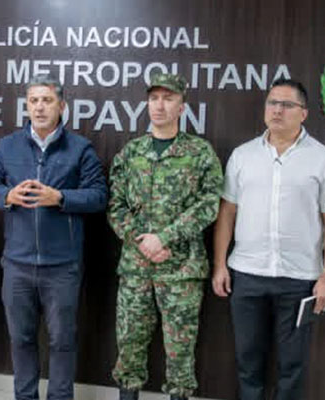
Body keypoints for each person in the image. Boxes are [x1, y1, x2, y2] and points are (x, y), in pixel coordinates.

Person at [212, 78, 325, 400]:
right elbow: (227, 213)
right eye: (272, 103)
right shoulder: (242, 156)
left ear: (304, 113)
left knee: (292, 366)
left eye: (287, 105)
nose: (277, 110)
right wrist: (220, 265)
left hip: (299, 280)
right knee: (248, 361)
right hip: (247, 276)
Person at [0, 73, 107, 400]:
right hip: (17, 265)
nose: (39, 107)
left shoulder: (80, 148)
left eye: (47, 100)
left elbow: (98, 196)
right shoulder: (8, 145)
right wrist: (7, 196)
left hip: (62, 267)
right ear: (27, 105)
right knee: (21, 340)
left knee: (62, 341)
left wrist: (60, 198)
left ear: (61, 106)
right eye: (33, 101)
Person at [107, 72, 224, 400]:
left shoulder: (200, 152)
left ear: (181, 107)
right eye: (154, 98)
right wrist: (142, 242)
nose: (159, 105)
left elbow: (209, 204)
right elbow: (115, 205)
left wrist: (165, 238)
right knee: (129, 347)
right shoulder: (131, 152)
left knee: (180, 353)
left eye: (168, 98)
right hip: (136, 269)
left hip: (181, 272)